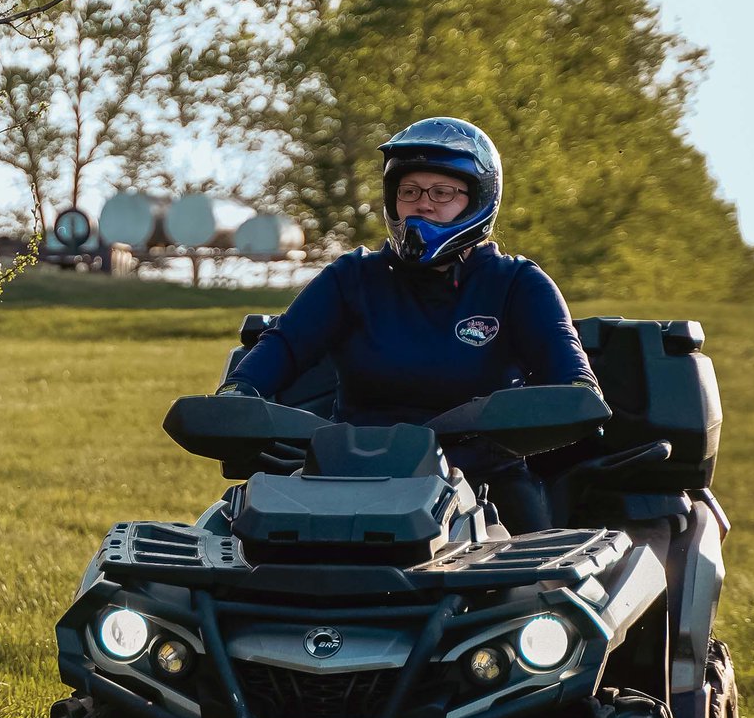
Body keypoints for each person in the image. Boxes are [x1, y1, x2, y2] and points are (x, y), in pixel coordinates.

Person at [220, 116, 599, 533]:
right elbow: (285, 344)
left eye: (442, 192)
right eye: (409, 191)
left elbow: (571, 376)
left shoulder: (517, 283)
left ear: (478, 199)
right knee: (237, 538)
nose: (423, 204)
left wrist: (571, 398)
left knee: (545, 569)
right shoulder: (353, 276)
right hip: (349, 478)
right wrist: (238, 392)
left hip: (485, 481)